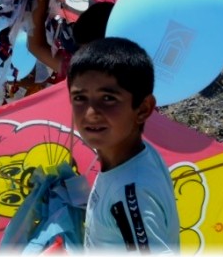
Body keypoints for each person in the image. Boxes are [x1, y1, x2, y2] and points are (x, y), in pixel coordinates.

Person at [69, 37, 179, 250]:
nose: (91, 113)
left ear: (143, 109)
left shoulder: (130, 194)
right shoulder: (138, 156)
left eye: (108, 98)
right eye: (80, 98)